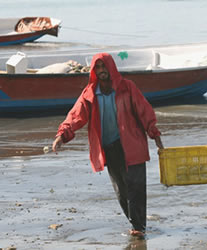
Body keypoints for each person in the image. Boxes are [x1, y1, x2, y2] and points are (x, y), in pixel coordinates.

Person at [52, 52, 164, 237]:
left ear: (111, 68)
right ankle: (136, 223)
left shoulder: (127, 88)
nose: (102, 71)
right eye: (98, 67)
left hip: (131, 145)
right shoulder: (90, 94)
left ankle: (138, 228)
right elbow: (75, 115)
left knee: (136, 187)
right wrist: (62, 135)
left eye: (104, 67)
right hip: (109, 147)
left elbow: (144, 110)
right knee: (121, 190)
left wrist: (154, 133)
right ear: (94, 71)